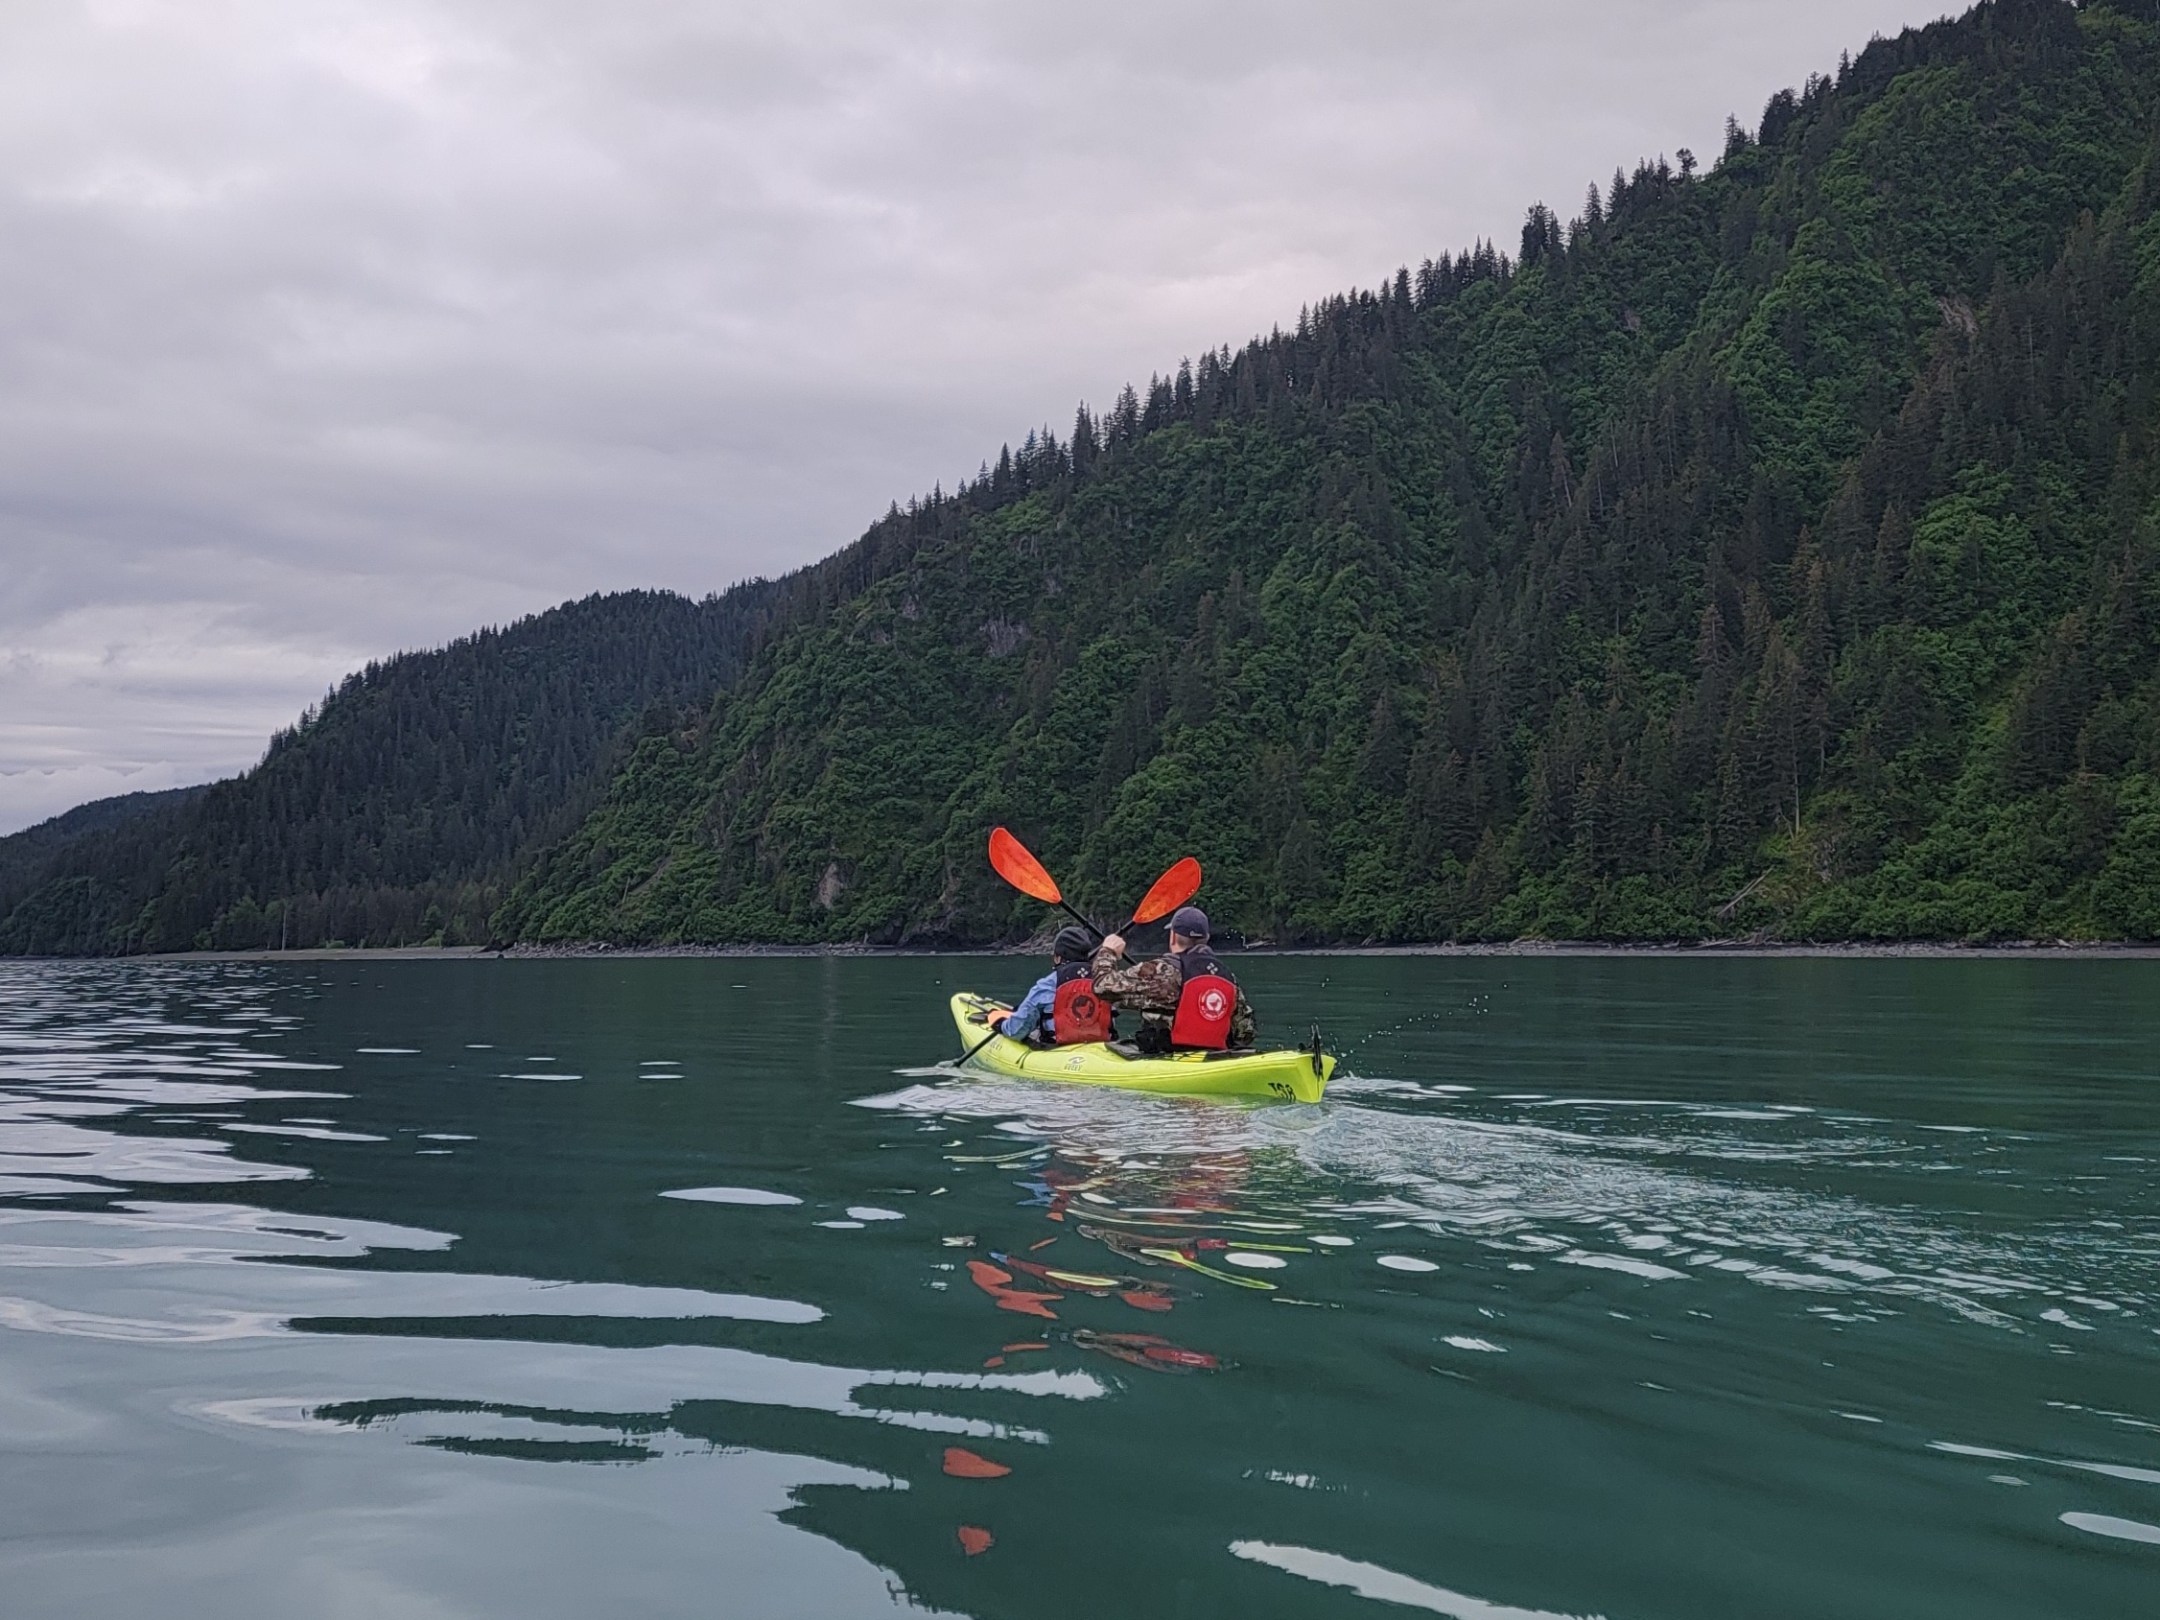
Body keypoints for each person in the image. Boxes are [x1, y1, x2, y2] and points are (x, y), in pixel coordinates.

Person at [1089, 905, 1256, 1053]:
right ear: (1206, 939)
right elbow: (1245, 1033)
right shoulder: (1227, 976)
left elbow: (1102, 986)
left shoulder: (1161, 971)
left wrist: (1108, 951)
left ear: (1173, 937)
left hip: (1167, 1055)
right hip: (1214, 1056)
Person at [997, 925, 1113, 1046]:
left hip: (1057, 1050)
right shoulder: (1106, 981)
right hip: (1101, 1047)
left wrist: (1001, 1025)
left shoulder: (1047, 985)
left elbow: (1016, 1031)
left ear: (1058, 958)